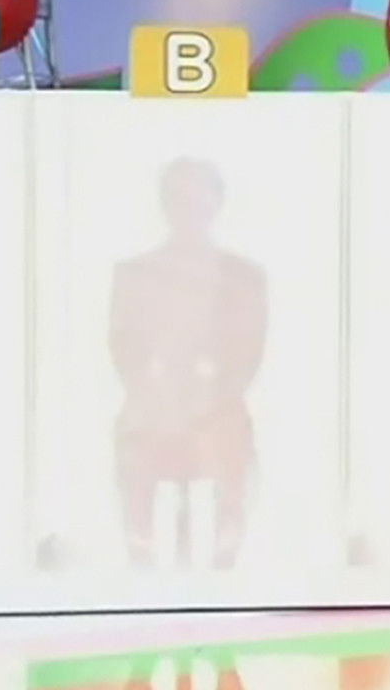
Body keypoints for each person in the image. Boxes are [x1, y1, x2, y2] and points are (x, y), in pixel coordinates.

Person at [109, 158, 267, 570]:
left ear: (217, 204)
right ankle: (139, 562)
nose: (190, 208)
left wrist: (210, 399)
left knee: (230, 440)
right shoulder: (133, 274)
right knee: (134, 442)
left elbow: (248, 353)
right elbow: (124, 350)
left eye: (199, 198)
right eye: (179, 197)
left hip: (219, 412)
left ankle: (225, 562)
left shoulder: (245, 277)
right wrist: (158, 396)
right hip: (152, 410)